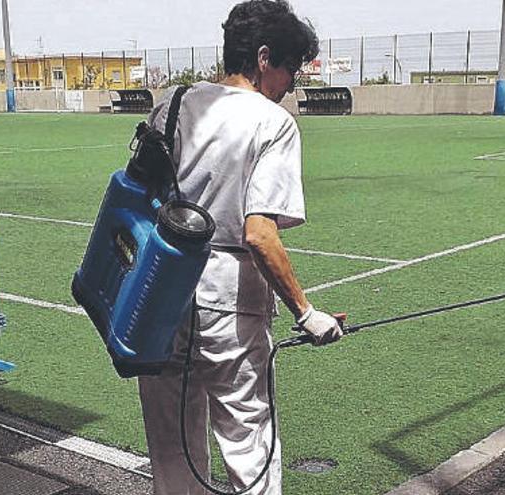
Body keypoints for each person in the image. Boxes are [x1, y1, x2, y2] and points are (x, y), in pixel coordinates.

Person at [137, 1, 344, 493]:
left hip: (159, 293)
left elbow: (139, 195)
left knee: (171, 447)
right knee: (249, 443)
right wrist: (307, 313)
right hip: (229, 304)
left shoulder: (173, 102)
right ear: (265, 57)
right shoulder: (271, 123)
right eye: (291, 70)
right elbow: (259, 233)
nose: (290, 85)